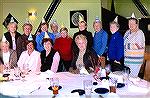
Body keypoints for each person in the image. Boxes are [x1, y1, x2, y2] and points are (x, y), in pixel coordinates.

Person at [124, 13, 145, 77]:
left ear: (137, 24)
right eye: (129, 23)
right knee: (126, 78)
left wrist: (124, 46)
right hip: (126, 60)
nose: (131, 25)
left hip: (135, 61)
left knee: (133, 79)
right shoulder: (127, 32)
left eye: (133, 23)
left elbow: (138, 46)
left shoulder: (139, 33)